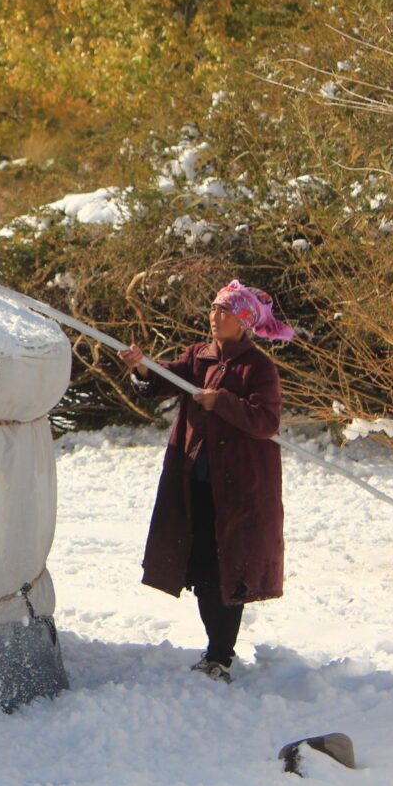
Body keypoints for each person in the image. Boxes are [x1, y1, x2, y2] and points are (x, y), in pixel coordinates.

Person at [118, 280, 293, 683]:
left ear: (244, 321)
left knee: (225, 570)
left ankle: (220, 654)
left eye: (225, 311)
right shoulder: (198, 356)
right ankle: (215, 648)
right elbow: (164, 380)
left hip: (239, 491)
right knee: (199, 567)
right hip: (194, 482)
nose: (215, 317)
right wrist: (143, 367)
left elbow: (267, 422)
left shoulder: (258, 366)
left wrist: (223, 402)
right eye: (214, 309)